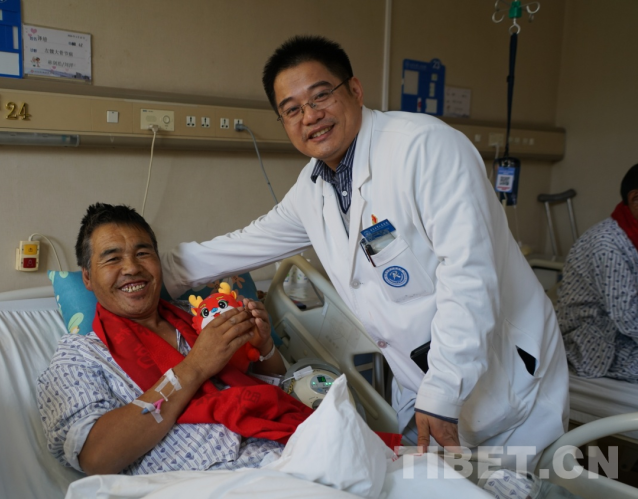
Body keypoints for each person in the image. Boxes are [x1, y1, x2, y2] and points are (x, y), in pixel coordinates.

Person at [161, 35, 569, 469]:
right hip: (422, 386)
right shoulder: (313, 187)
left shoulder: (425, 148)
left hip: (506, 384)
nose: (310, 116)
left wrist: (443, 390)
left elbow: (470, 276)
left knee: (520, 488)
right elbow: (243, 244)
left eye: (321, 96)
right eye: (292, 110)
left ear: (354, 90)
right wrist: (151, 273)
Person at [37, 203, 310, 476]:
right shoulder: (79, 355)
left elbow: (270, 387)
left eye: (143, 253)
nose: (131, 268)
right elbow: (95, 456)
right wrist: (196, 366)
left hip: (289, 448)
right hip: (208, 481)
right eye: (112, 258)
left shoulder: (201, 316)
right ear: (87, 277)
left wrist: (263, 347)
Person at [558, 164, 638, 381]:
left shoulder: (632, 235)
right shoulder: (607, 245)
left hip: (624, 333)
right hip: (596, 342)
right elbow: (628, 319)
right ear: (634, 198)